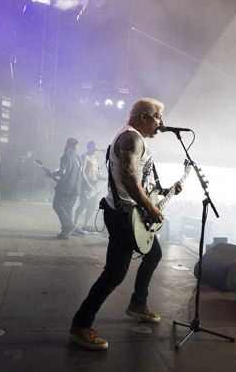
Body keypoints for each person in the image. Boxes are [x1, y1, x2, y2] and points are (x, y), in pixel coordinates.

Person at [69, 98, 183, 350]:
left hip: (131, 213)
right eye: (158, 118)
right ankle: (81, 325)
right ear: (144, 116)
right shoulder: (132, 138)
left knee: (154, 254)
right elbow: (128, 178)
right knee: (114, 274)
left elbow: (137, 181)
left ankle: (138, 303)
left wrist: (163, 192)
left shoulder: (134, 139)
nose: (161, 124)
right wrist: (150, 207)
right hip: (124, 216)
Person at [47, 137, 81, 239]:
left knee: (57, 205)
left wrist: (52, 173)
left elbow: (63, 172)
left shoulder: (66, 156)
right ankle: (65, 234)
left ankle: (69, 225)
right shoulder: (79, 158)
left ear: (68, 145)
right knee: (68, 209)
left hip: (66, 189)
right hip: (76, 189)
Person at [72, 140, 101, 233]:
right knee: (83, 204)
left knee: (92, 205)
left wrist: (104, 178)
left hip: (94, 185)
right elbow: (82, 171)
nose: (95, 149)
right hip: (86, 184)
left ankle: (86, 225)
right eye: (93, 147)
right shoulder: (85, 157)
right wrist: (87, 184)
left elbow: (96, 173)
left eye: (96, 147)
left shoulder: (95, 159)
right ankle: (74, 226)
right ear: (89, 147)